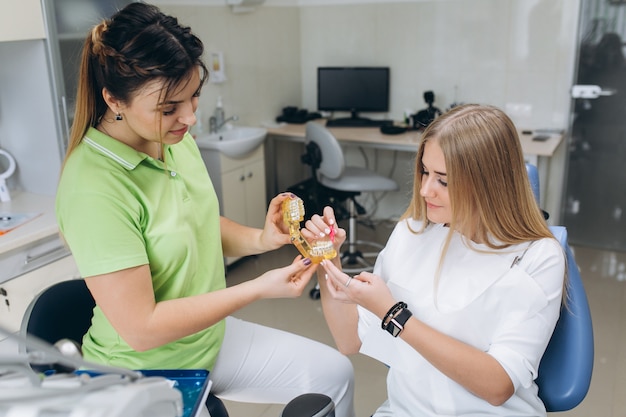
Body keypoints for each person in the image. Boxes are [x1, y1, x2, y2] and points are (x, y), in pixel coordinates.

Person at [54, 3, 355, 416]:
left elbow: (196, 222)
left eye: (194, 96)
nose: (190, 118)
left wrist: (263, 239)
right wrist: (257, 287)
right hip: (147, 370)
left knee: (336, 376)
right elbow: (141, 329)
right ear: (114, 99)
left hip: (208, 338)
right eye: (170, 108)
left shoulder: (173, 140)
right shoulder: (93, 187)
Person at [303, 104, 566, 416]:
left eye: (444, 180)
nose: (426, 189)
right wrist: (325, 257)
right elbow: (349, 340)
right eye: (425, 172)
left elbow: (498, 386)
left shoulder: (537, 256)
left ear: (489, 183)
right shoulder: (412, 233)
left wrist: (393, 315)